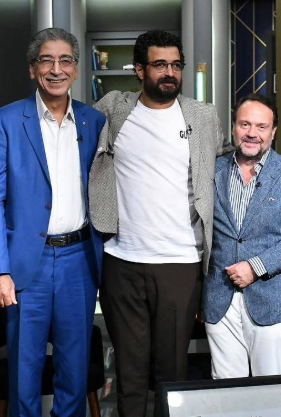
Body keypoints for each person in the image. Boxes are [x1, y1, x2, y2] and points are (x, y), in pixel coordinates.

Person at [88, 29, 232, 416]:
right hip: (121, 260)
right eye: (160, 65)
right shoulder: (112, 109)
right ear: (139, 70)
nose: (170, 72)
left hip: (181, 263)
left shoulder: (202, 116)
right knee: (130, 372)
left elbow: (226, 161)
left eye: (176, 65)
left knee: (172, 371)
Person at [0, 28, 106, 417]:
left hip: (79, 261)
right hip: (25, 264)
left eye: (65, 60)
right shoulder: (5, 121)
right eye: (46, 60)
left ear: (76, 69)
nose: (56, 69)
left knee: (74, 375)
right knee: (24, 374)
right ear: (33, 69)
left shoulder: (93, 121)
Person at [202, 94, 281, 379]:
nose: (252, 133)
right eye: (245, 124)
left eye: (261, 126)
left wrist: (255, 266)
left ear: (273, 131)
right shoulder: (211, 170)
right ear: (233, 127)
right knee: (226, 391)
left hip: (271, 298)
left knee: (270, 390)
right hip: (219, 298)